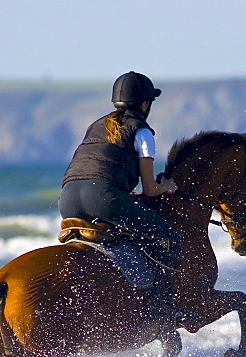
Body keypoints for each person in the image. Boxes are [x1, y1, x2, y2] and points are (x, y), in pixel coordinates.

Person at [59, 71, 187, 325]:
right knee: (168, 237)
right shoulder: (142, 132)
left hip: (67, 199)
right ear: (144, 104)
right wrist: (167, 187)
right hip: (103, 197)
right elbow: (151, 189)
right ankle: (163, 309)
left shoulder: (96, 125)